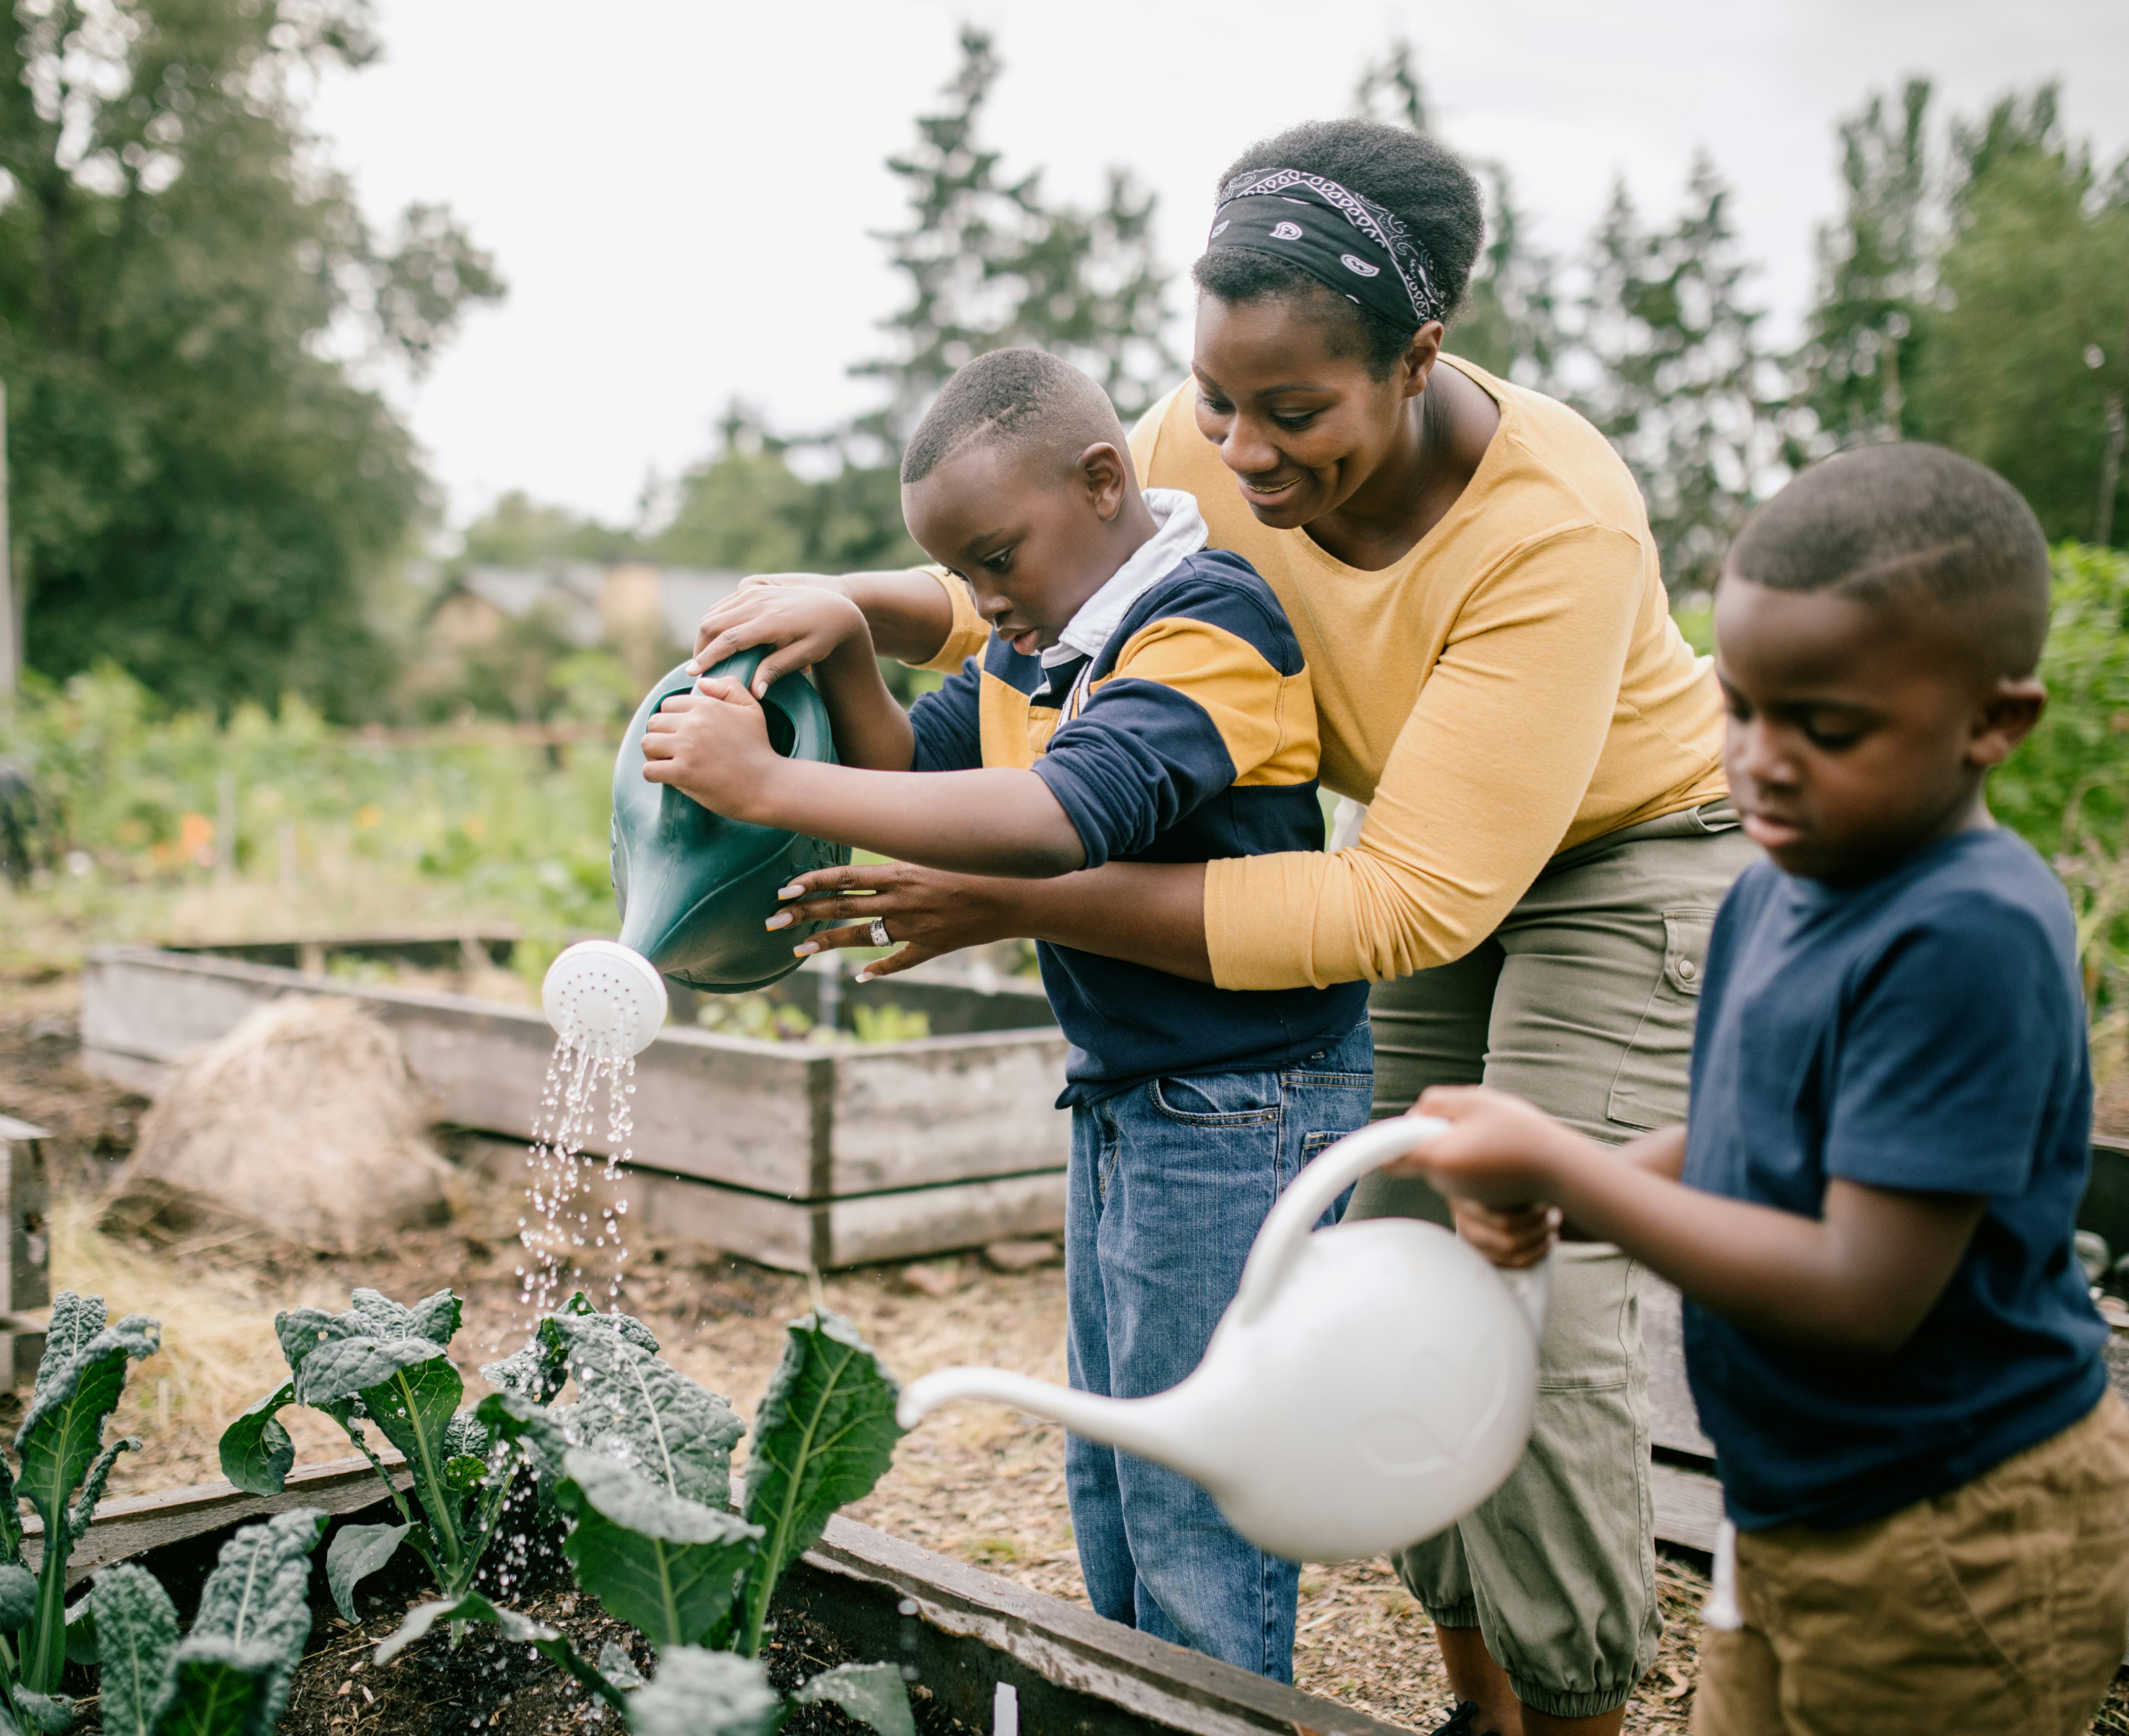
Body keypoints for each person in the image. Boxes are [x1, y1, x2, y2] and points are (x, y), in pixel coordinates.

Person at [693, 119, 1748, 1733]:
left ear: (1418, 359)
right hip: (1418, 844)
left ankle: (1575, 1713)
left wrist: (1008, 894)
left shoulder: (1557, 527)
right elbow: (1033, 581)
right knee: (1385, 1279)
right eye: (1213, 399)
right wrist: (848, 603)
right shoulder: (1202, 444)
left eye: (1295, 413)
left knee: (1530, 1296)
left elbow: (1399, 904)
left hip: (1614, 859)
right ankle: (1476, 1700)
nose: (1241, 453)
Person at [1392, 443, 2129, 1736]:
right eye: (1740, 710)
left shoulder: (1970, 934)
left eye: (1829, 728)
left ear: (1994, 724)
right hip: (1800, 1501)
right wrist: (1593, 1196)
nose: (1765, 760)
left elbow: (1864, 1290)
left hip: (1958, 1522)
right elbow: (1749, 1129)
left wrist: (1570, 1167)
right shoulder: (1771, 892)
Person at [642, 346, 1376, 1681]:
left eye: (996, 562)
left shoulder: (1207, 628)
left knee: (1193, 1482)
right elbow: (915, 770)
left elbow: (1048, 823)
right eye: (965, 577)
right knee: (1109, 1457)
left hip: (1246, 1103)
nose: (982, 605)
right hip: (1140, 1092)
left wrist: (770, 791)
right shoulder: (1044, 644)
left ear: (1106, 483)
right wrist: (855, 653)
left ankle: (1213, 1707)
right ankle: (1136, 1703)